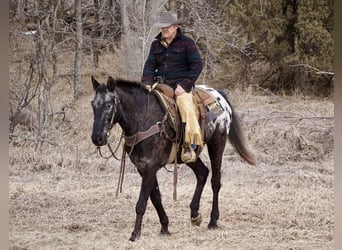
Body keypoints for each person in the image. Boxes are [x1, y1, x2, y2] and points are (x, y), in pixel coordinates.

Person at [141, 11, 203, 163]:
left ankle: (189, 144)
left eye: (167, 27)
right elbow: (149, 66)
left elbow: (197, 65)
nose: (164, 30)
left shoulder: (187, 43)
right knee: (144, 104)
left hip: (181, 87)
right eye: (162, 27)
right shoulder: (156, 44)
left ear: (176, 27)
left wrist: (184, 85)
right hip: (160, 85)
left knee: (185, 105)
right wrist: (147, 83)